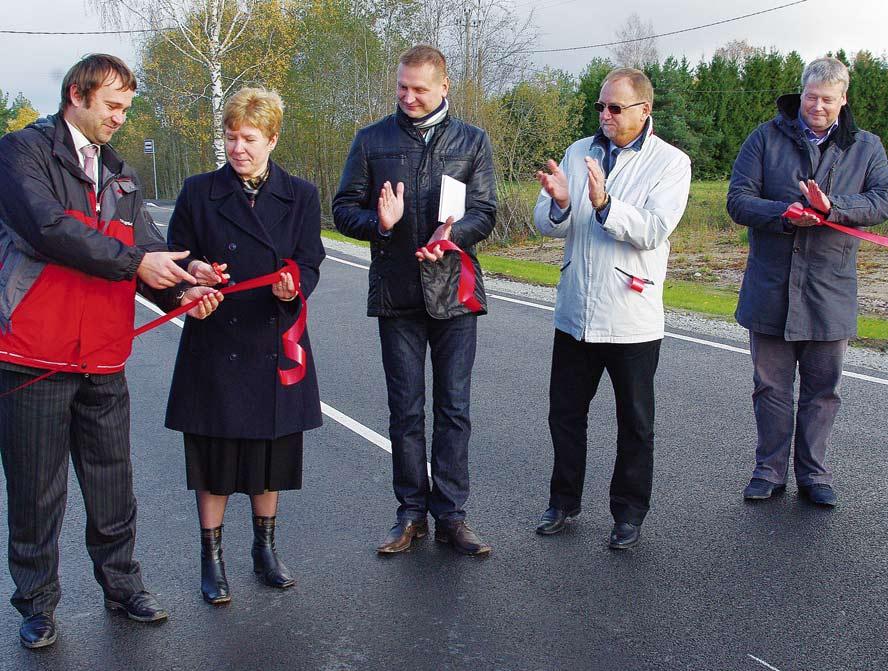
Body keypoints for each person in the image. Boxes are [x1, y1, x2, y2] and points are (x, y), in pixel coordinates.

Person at [0, 54, 220, 649]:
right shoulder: (21, 153)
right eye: (113, 106)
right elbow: (48, 229)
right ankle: (38, 606)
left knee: (113, 488)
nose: (122, 117)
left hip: (102, 357)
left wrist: (186, 278)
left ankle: (124, 590)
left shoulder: (121, 174)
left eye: (127, 107)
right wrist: (137, 262)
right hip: (34, 357)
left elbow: (146, 248)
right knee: (36, 493)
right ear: (77, 94)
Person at [333, 45, 496, 557]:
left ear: (444, 87)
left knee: (454, 408)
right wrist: (379, 224)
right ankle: (410, 514)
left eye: (419, 89)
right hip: (397, 293)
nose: (408, 97)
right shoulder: (371, 140)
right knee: (405, 410)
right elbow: (342, 210)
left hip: (454, 292)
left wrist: (455, 235)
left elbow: (486, 211)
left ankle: (451, 515)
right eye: (402, 87)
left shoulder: (473, 141)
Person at [165, 87, 325, 604]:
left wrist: (292, 283)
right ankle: (211, 560)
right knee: (213, 457)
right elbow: (175, 259)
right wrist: (194, 275)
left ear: (272, 139)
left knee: (268, 452)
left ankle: (265, 549)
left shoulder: (300, 195)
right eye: (231, 137)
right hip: (215, 340)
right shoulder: (197, 191)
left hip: (271, 339)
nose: (238, 148)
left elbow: (310, 259)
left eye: (249, 139)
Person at [727, 57, 888, 507]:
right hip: (771, 288)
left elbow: (884, 200)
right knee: (771, 387)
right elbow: (739, 200)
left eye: (827, 99)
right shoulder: (764, 137)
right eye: (810, 97)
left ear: (843, 100)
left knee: (823, 390)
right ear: (800, 94)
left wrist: (831, 208)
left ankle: (814, 475)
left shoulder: (866, 146)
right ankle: (768, 471)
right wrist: (784, 212)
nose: (817, 106)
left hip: (830, 290)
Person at [532, 67, 691, 549]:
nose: (604, 115)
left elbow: (653, 230)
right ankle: (563, 502)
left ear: (645, 110)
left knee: (635, 423)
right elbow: (546, 222)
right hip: (575, 311)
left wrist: (604, 204)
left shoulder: (670, 163)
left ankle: (628, 513)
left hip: (630, 316)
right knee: (564, 414)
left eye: (615, 108)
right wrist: (560, 202)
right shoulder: (579, 151)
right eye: (600, 106)